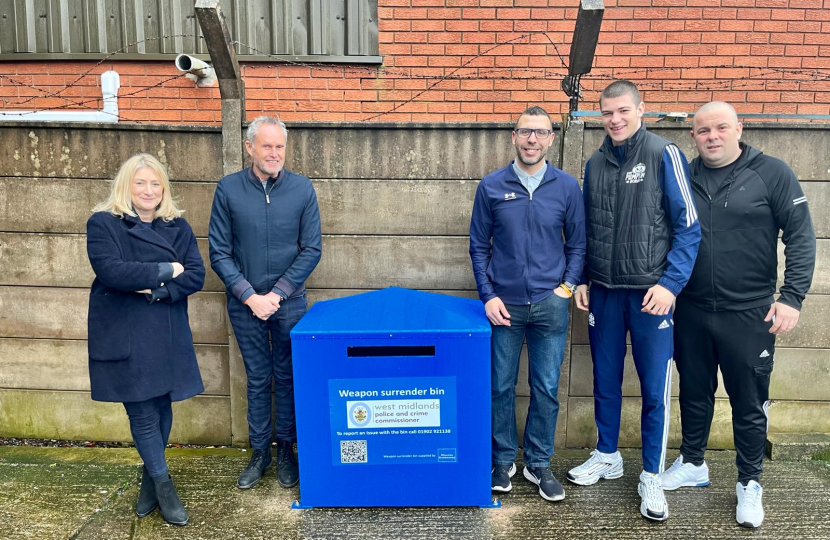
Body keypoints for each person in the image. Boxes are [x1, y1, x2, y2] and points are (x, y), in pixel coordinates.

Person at [660, 101, 816, 528]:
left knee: (749, 402)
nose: (712, 136)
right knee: (693, 392)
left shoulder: (772, 173)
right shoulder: (682, 176)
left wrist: (792, 297)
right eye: (703, 130)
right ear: (692, 136)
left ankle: (749, 482)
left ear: (738, 128)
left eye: (721, 128)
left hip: (749, 313)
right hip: (690, 309)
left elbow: (801, 236)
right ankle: (693, 463)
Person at [567, 80, 701, 522]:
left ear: (641, 110)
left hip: (651, 297)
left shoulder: (665, 154)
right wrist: (583, 278)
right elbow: (587, 229)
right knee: (604, 380)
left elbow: (689, 227)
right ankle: (608, 454)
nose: (615, 119)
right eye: (607, 113)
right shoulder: (595, 161)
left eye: (623, 110)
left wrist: (670, 285)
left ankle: (650, 473)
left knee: (653, 391)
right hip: (604, 293)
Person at [470, 106, 586, 502]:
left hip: (550, 306)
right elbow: (477, 246)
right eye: (525, 132)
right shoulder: (491, 186)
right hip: (504, 307)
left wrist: (567, 288)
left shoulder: (567, 187)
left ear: (551, 138)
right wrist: (488, 296)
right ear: (514, 136)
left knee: (546, 387)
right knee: (500, 386)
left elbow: (578, 244)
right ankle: (502, 461)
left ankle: (538, 463)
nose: (532, 139)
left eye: (540, 132)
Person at [86, 153, 205, 526]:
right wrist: (167, 269)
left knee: (162, 406)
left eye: (155, 183)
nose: (148, 190)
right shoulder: (104, 224)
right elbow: (112, 271)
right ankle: (164, 486)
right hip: (123, 331)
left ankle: (149, 481)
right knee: (140, 409)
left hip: (165, 326)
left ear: (164, 189)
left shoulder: (178, 227)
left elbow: (197, 275)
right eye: (140, 183)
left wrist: (155, 290)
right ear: (126, 186)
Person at [209, 115, 322, 490]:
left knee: (288, 377)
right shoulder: (228, 190)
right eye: (266, 146)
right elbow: (219, 252)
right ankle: (260, 453)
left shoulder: (303, 189)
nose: (274, 153)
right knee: (258, 378)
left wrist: (276, 294)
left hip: (288, 302)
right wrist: (249, 296)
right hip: (246, 304)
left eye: (280, 147)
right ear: (249, 148)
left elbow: (312, 250)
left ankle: (287, 450)